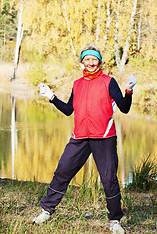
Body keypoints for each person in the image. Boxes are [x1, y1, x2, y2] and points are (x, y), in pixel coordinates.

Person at [33, 43, 137, 234]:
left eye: (94, 59)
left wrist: (128, 91)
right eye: (87, 59)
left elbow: (124, 107)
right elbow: (68, 110)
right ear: (82, 62)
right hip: (79, 137)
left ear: (99, 62)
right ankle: (46, 211)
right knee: (62, 172)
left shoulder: (109, 82)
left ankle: (115, 220)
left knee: (108, 179)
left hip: (104, 138)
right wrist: (51, 97)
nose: (91, 62)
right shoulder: (77, 84)